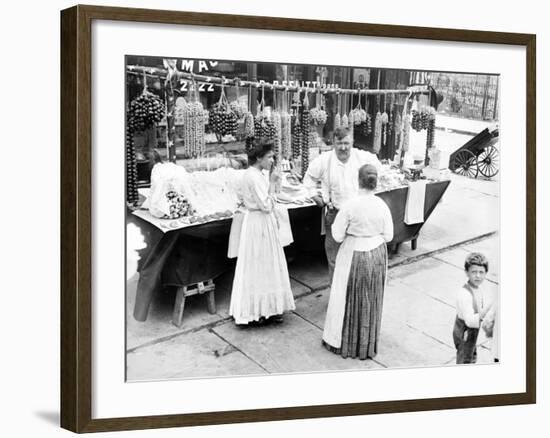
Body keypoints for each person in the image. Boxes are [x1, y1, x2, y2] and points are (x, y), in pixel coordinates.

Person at [322, 164, 393, 360]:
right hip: (377, 254)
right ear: (375, 182)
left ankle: (345, 342)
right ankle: (366, 344)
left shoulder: (350, 205)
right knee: (370, 300)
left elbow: (336, 236)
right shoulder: (382, 205)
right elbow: (389, 236)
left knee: (347, 297)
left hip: (353, 253)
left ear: (358, 181)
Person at [229, 140, 295, 326]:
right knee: (260, 263)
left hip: (259, 221)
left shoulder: (256, 174)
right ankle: (258, 311)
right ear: (258, 158)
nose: (272, 160)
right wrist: (273, 184)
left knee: (264, 263)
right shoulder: (253, 176)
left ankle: (266, 309)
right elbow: (266, 205)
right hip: (258, 222)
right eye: (269, 157)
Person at [303, 126, 382, 283]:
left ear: (352, 142)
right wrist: (314, 195)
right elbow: (308, 179)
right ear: (333, 142)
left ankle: (353, 295)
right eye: (339, 143)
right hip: (335, 214)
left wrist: (369, 193)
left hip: (358, 216)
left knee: (356, 257)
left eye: (346, 143)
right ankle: (336, 297)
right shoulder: (324, 160)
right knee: (334, 258)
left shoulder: (362, 157)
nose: (343, 147)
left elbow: (379, 169)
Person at [453, 253, 495, 364]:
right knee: (465, 359)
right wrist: (488, 307)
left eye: (481, 272)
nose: (478, 276)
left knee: (471, 354)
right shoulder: (464, 294)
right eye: (474, 272)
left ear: (486, 273)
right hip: (465, 332)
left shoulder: (476, 288)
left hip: (471, 332)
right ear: (467, 272)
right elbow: (470, 321)